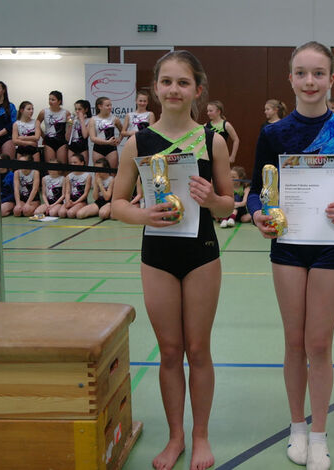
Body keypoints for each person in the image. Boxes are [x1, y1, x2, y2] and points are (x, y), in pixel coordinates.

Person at [247, 41, 334, 470]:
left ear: (331, 79)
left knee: (319, 343)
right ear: (290, 79)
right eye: (301, 73)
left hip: (329, 246)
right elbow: (257, 191)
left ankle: (319, 433)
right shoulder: (274, 134)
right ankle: (297, 425)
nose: (310, 81)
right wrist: (258, 213)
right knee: (294, 341)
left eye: (319, 73)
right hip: (287, 245)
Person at [111, 50, 232, 470]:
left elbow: (228, 204)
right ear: (155, 88)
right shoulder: (137, 142)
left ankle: (200, 436)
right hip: (158, 256)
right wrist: (144, 216)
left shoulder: (213, 140)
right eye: (166, 82)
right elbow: (117, 204)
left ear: (198, 90)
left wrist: (212, 199)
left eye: (183, 82)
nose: (174, 89)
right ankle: (176, 436)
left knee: (198, 349)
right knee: (169, 350)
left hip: (201, 255)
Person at [89, 97, 122, 169]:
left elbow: (122, 131)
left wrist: (119, 139)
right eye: (107, 105)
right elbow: (92, 138)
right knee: (98, 172)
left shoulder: (115, 119)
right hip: (98, 149)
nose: (110, 107)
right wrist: (107, 142)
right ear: (100, 106)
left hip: (111, 149)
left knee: (112, 172)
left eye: (110, 105)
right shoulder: (93, 119)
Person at [38, 90, 70, 164]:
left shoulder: (66, 112)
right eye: (49, 99)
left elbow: (71, 123)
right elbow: (36, 124)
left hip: (61, 142)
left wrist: (70, 121)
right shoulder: (43, 112)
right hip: (49, 142)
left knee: (62, 165)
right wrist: (42, 135)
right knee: (50, 165)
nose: (50, 101)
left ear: (59, 101)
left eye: (53, 100)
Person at [61, 152, 91, 219]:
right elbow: (67, 192)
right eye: (71, 163)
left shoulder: (87, 176)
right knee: (61, 213)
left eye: (75, 162)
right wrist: (67, 201)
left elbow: (85, 194)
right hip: (71, 200)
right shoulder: (68, 176)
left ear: (82, 163)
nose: (73, 164)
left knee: (71, 213)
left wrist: (75, 203)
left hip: (81, 201)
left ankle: (82, 207)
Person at [67, 100, 91, 164]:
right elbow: (67, 138)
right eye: (76, 109)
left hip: (83, 146)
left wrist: (81, 120)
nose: (77, 111)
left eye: (80, 109)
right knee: (71, 166)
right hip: (72, 146)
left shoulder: (90, 120)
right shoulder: (72, 119)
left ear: (86, 110)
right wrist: (70, 123)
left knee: (83, 167)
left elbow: (85, 135)